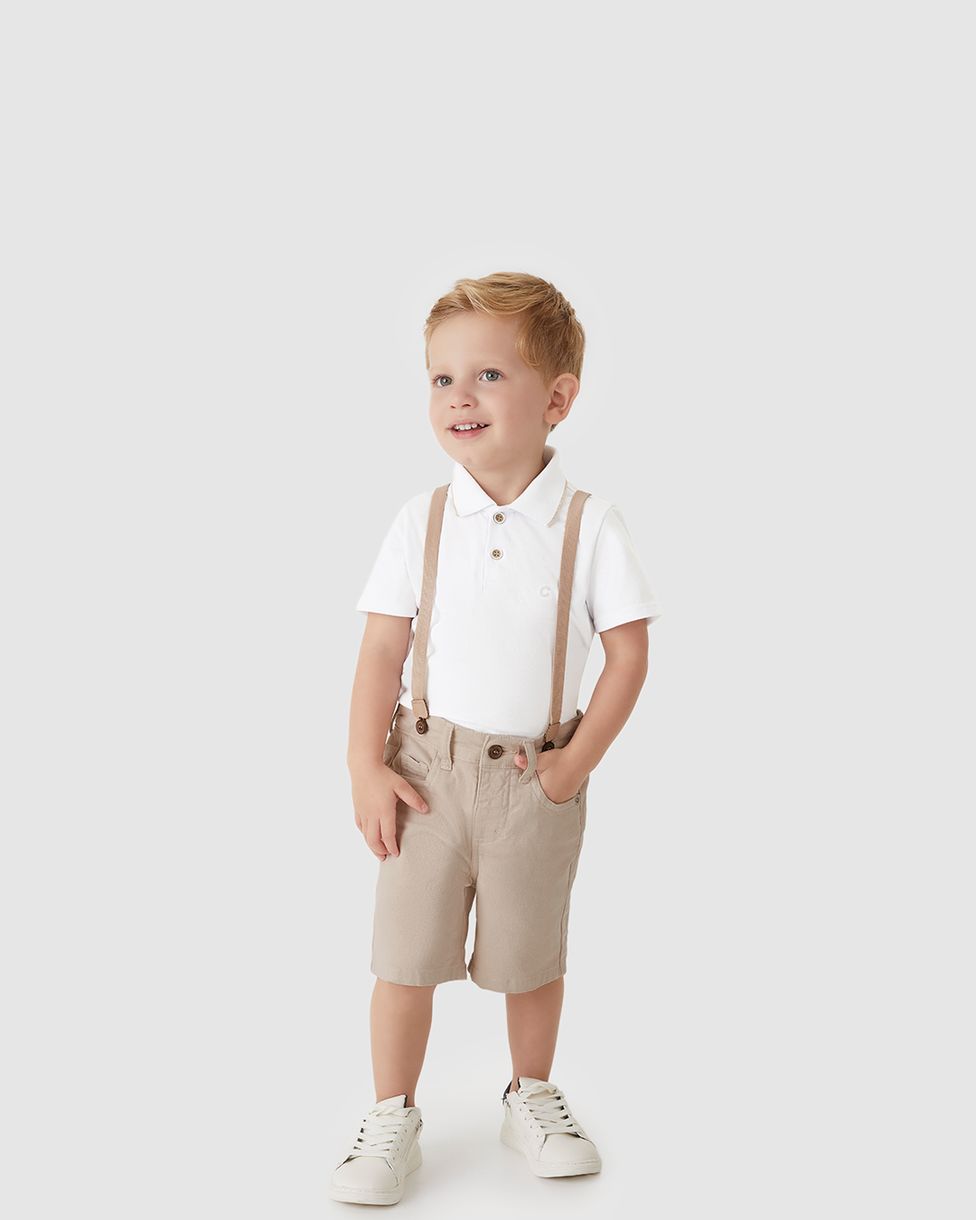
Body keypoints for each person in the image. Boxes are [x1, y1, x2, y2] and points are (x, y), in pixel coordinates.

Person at [330, 272, 663, 1205]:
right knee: (404, 958)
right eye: (441, 379)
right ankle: (392, 1112)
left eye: (487, 375)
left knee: (530, 957)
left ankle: (531, 1094)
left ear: (558, 398)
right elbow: (382, 649)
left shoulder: (589, 525)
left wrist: (570, 769)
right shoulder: (422, 520)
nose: (458, 397)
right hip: (425, 776)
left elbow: (629, 656)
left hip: (532, 779)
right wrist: (364, 765)